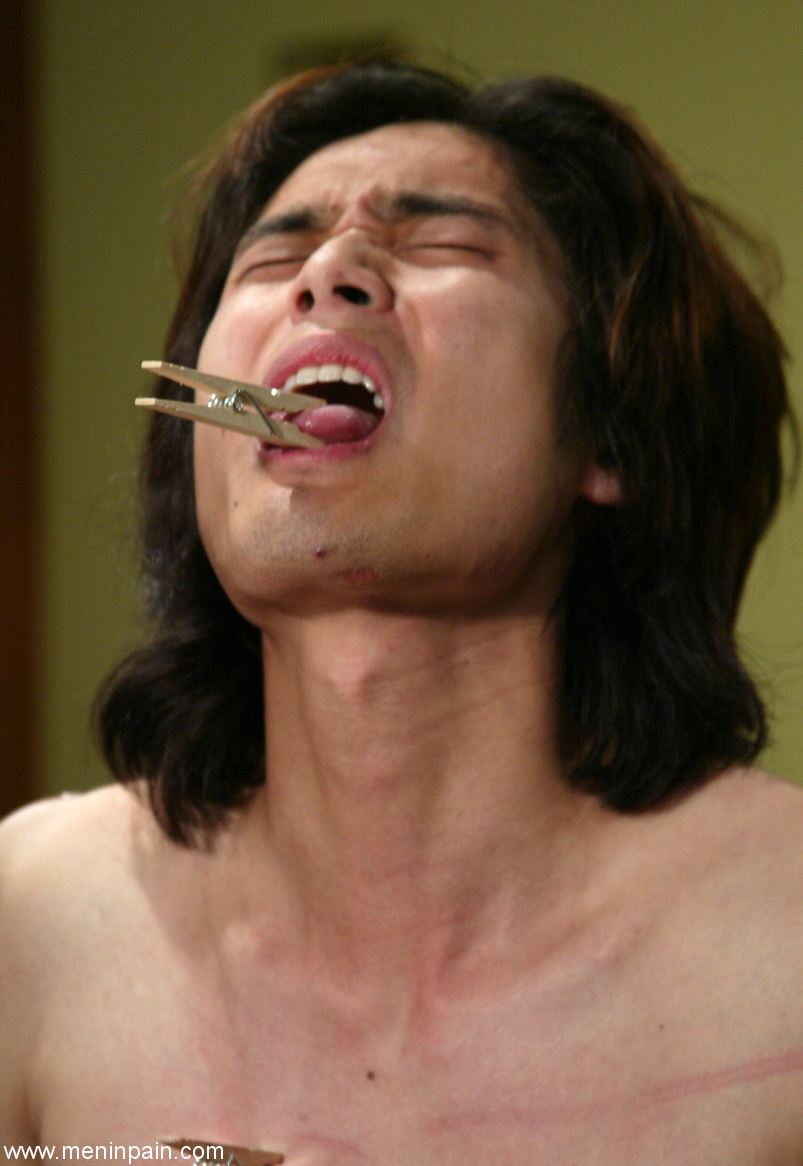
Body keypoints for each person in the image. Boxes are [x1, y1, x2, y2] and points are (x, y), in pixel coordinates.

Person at [1, 60, 802, 1162]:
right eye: (272, 257)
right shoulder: (32, 920)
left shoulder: (782, 945)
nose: (326, 272)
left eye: (443, 243)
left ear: (606, 434)